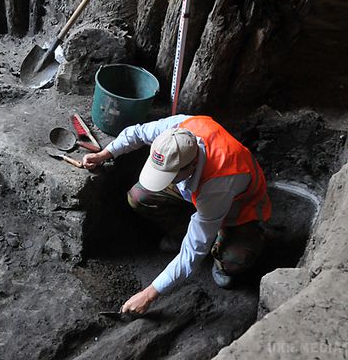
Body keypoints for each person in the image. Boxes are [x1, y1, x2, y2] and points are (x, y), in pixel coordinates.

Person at [82, 114, 271, 315]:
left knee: (234, 260)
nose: (164, 179)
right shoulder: (176, 132)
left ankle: (223, 247)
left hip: (238, 208)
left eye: (169, 175)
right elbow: (136, 133)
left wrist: (149, 294)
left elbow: (194, 250)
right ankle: (183, 231)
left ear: (191, 166)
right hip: (197, 192)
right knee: (139, 196)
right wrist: (105, 154)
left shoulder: (219, 183)